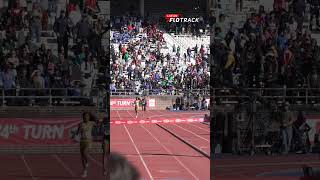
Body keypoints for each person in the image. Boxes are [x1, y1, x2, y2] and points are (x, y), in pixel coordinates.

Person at [76, 112, 98, 178]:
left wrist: (93, 116)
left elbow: (98, 123)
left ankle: (88, 162)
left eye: (87, 116)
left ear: (89, 117)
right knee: (82, 158)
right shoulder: (80, 124)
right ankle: (85, 171)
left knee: (85, 152)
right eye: (85, 116)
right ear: (83, 117)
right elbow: (78, 132)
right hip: (82, 141)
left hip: (89, 141)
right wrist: (74, 135)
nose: (86, 117)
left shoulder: (92, 123)